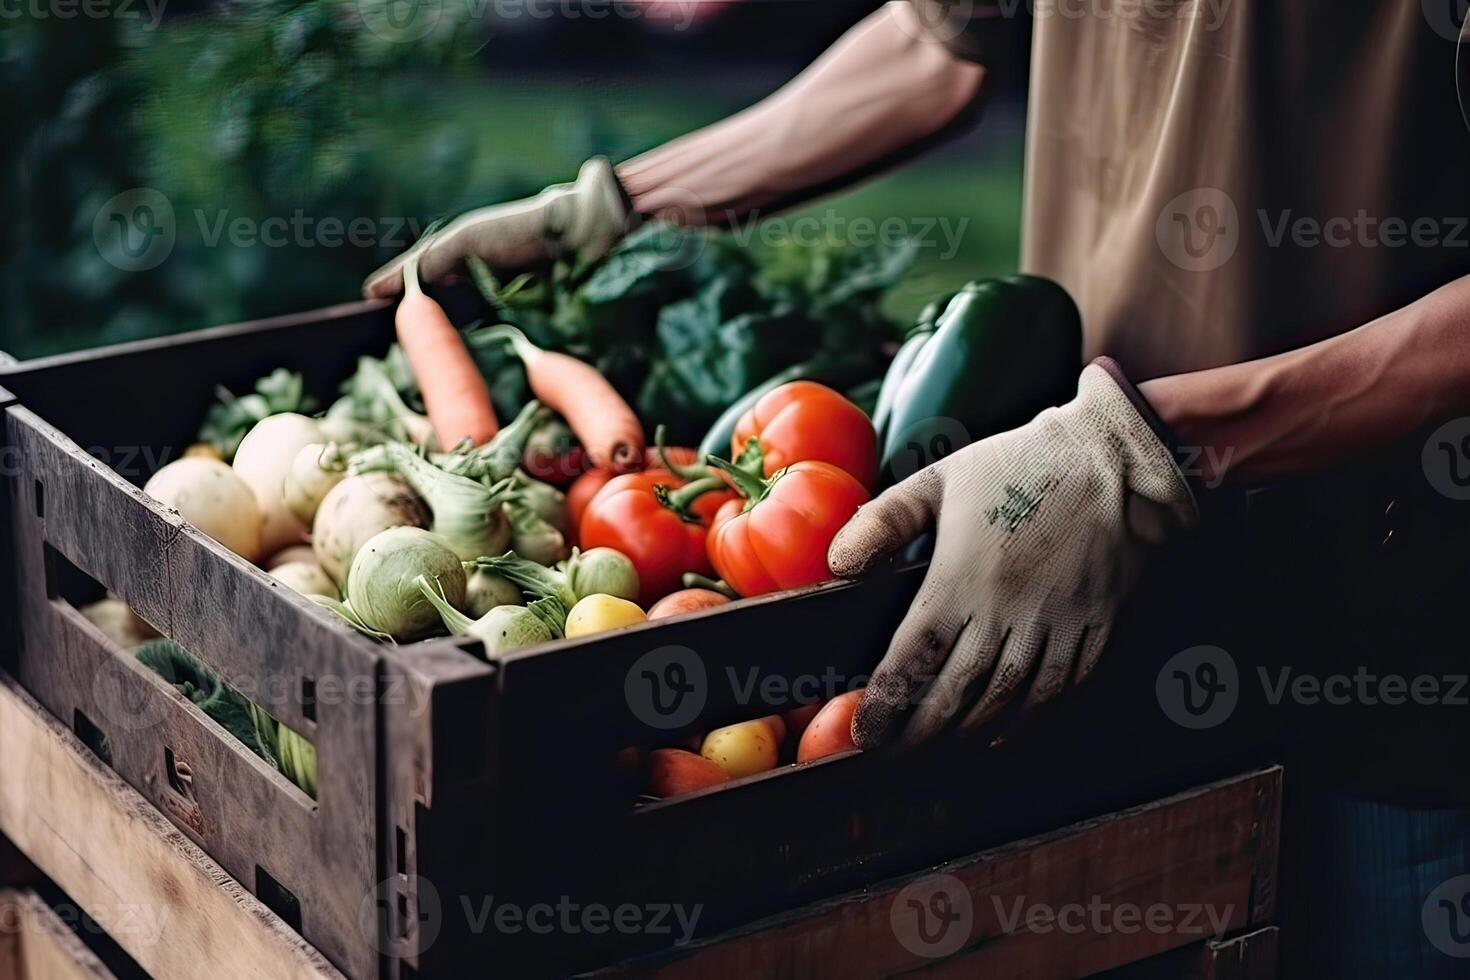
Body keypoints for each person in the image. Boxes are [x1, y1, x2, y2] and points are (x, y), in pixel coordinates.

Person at [367, 4, 1470, 974]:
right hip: (1083, 579)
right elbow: (938, 41)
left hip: (1376, 621)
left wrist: (1161, 445)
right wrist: (616, 209)